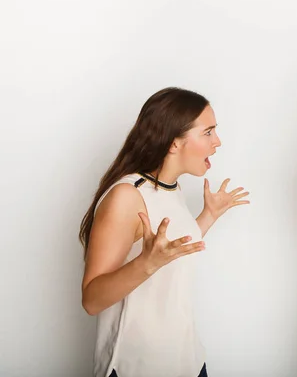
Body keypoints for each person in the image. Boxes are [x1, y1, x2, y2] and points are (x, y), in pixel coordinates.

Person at [79, 87, 250, 377]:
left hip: (188, 361)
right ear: (174, 143)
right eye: (208, 133)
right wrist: (145, 265)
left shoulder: (171, 189)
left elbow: (170, 252)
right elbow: (92, 300)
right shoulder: (126, 196)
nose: (217, 142)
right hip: (137, 367)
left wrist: (209, 216)